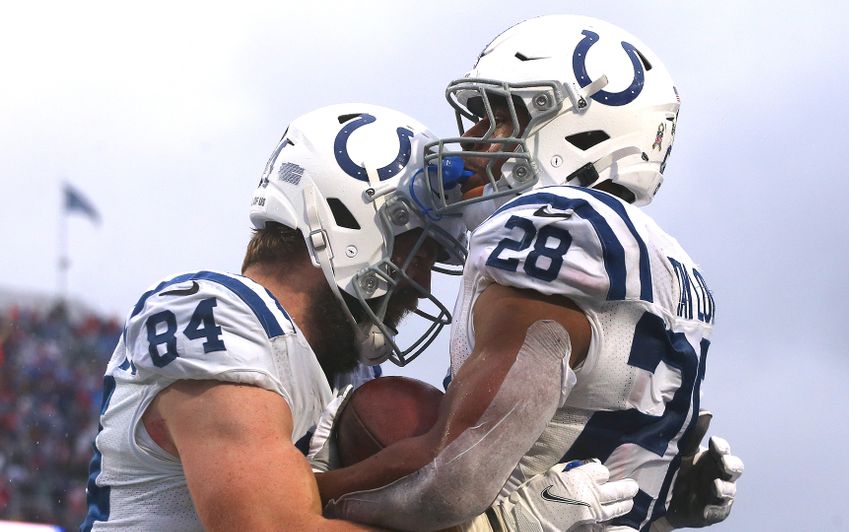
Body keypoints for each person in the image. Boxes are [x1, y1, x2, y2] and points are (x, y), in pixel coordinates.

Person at [79, 102, 638, 531]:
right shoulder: (219, 314)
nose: (421, 285)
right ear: (350, 224)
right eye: (417, 250)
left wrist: (644, 490)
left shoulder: (335, 378)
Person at [317, 15, 742, 532]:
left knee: (383, 410)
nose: (472, 142)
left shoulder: (549, 226)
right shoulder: (676, 267)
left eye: (499, 119)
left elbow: (451, 480)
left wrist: (304, 490)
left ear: (581, 132)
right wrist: (669, 499)